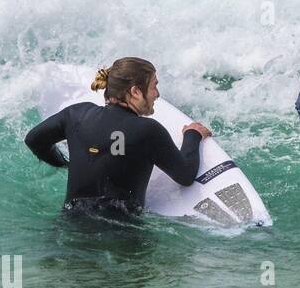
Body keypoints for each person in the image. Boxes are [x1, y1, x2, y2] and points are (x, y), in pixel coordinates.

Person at [25, 58, 211, 216]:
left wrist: (64, 163)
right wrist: (192, 135)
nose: (157, 94)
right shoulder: (148, 130)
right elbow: (186, 175)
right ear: (135, 92)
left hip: (72, 220)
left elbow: (34, 139)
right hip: (122, 234)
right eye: (154, 86)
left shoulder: (76, 114)